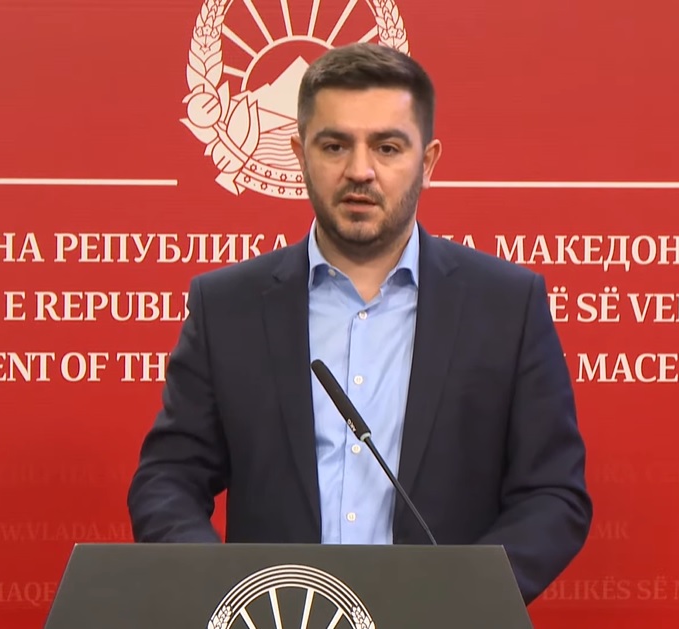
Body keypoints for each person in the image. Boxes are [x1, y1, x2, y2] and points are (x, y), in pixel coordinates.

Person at [127, 41, 592, 605]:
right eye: (334, 145)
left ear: (428, 162)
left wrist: (463, 600)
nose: (360, 171)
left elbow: (553, 496)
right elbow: (168, 479)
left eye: (387, 147)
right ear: (299, 154)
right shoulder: (228, 306)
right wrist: (224, 589)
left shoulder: (507, 306)